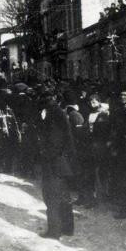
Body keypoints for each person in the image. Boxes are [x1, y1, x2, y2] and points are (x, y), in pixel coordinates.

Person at [37, 93, 75, 240]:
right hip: (62, 162)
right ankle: (67, 228)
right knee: (63, 196)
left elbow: (54, 141)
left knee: (51, 197)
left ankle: (54, 231)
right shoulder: (59, 113)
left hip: (54, 163)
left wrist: (44, 154)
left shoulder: (52, 115)